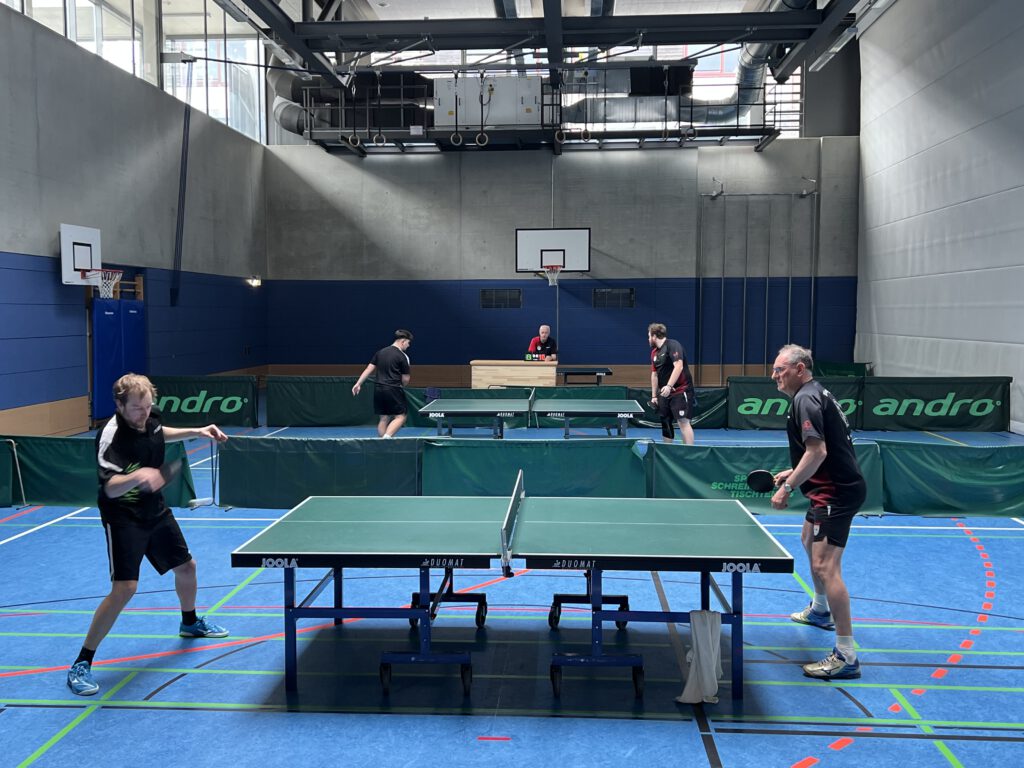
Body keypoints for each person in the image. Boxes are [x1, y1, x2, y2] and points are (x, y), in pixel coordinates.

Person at [66, 374, 230, 696]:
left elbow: (158, 432)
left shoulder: (150, 416)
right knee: (125, 588)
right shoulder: (110, 437)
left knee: (187, 567)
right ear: (119, 405)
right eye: (137, 409)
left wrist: (197, 431)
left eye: (148, 406)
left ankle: (190, 622)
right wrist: (139, 475)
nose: (144, 414)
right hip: (123, 516)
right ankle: (81, 662)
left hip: (154, 508)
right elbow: (110, 489)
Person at [769, 344, 866, 681]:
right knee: (807, 539)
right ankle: (820, 610)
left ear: (800, 369)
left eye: (780, 369)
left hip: (834, 493)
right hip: (829, 488)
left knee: (826, 567)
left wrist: (788, 486)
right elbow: (825, 450)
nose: (774, 376)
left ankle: (846, 655)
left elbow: (818, 451)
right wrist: (793, 471)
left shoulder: (805, 399)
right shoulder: (813, 393)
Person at [352, 329, 413, 438]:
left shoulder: (380, 352)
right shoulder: (402, 356)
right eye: (408, 343)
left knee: (384, 418)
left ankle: (381, 443)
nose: (408, 346)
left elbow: (368, 369)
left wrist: (358, 383)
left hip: (378, 389)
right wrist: (401, 386)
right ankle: (386, 438)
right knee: (401, 417)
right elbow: (405, 378)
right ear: (403, 341)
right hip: (393, 389)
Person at [647, 323, 695, 445]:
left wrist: (669, 386)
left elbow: (678, 366)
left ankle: (690, 452)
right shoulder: (654, 353)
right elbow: (654, 374)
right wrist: (654, 396)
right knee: (665, 421)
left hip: (681, 390)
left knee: (683, 421)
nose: (648, 339)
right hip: (664, 393)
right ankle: (667, 450)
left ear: (654, 336)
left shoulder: (673, 345)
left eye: (649, 336)